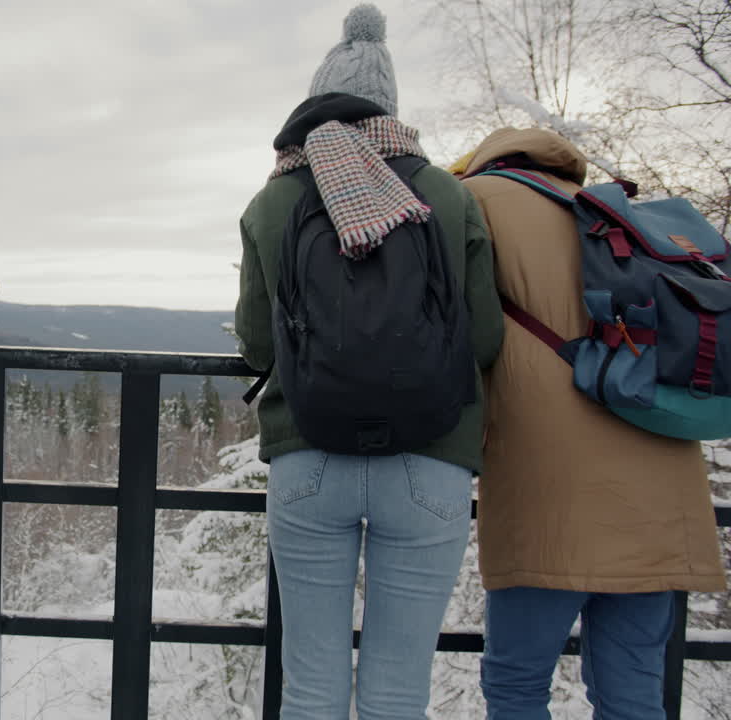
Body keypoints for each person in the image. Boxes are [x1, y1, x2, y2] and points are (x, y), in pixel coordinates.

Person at [235, 5, 503, 717]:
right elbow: (483, 340)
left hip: (309, 453)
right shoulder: (447, 192)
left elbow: (259, 342)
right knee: (396, 688)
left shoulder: (277, 198)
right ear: (390, 106)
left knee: (311, 685)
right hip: (430, 456)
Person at [460, 128, 726, 720]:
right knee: (633, 690)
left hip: (549, 483)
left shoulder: (475, 200)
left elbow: (458, 327)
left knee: (516, 683)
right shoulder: (612, 214)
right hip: (661, 478)